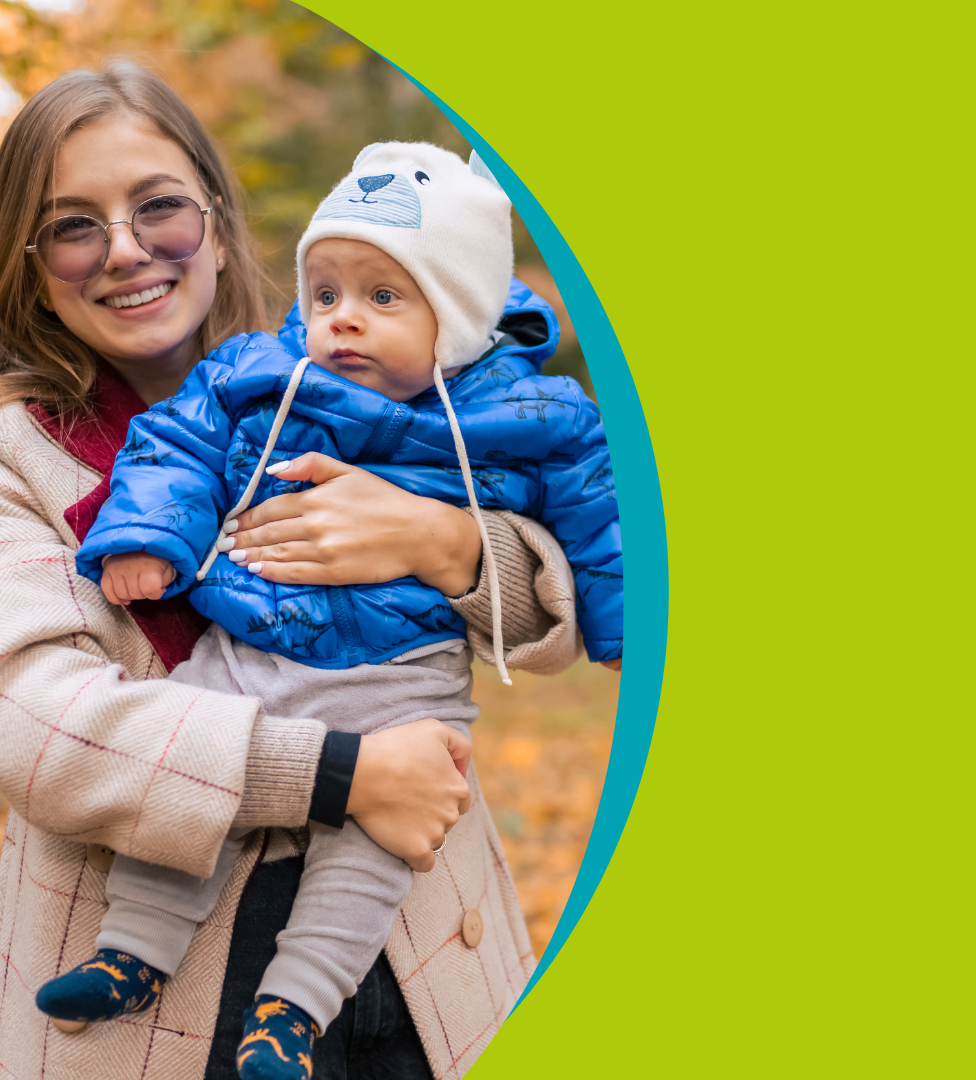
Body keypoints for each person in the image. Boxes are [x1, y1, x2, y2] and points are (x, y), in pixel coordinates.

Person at [0, 62, 584, 1080]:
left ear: (217, 227)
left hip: (418, 950)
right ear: (29, 261)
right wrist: (342, 774)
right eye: (74, 225)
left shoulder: (373, 374)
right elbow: (41, 726)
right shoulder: (19, 453)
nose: (127, 250)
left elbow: (550, 627)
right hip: (165, 1000)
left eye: (159, 209)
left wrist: (441, 544)